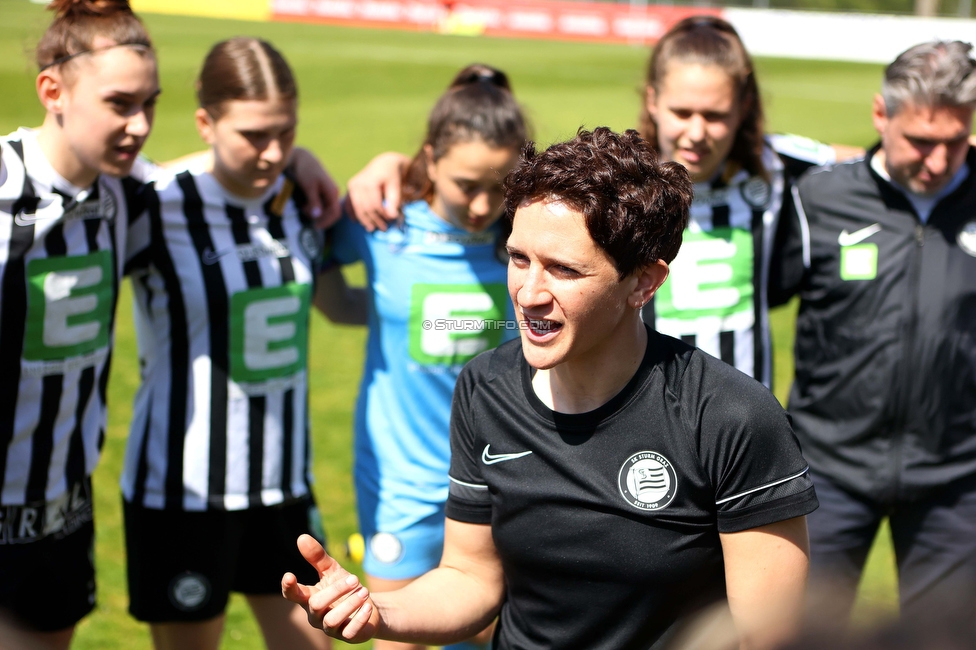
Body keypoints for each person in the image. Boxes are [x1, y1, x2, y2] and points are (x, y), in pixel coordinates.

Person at [283, 127, 819, 650]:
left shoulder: (731, 416)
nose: (529, 293)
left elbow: (765, 636)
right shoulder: (485, 388)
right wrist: (380, 612)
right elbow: (470, 577)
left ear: (644, 282)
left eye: (563, 269)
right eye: (519, 259)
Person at [344, 16, 856, 389]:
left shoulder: (780, 165)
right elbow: (515, 188)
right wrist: (393, 163)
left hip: (741, 418)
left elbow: (874, 163)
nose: (697, 132)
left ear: (744, 108)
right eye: (682, 110)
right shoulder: (620, 179)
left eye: (715, 114)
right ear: (653, 99)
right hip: (634, 404)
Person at [120, 37, 364, 650]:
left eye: (287, 133)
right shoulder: (157, 202)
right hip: (181, 491)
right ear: (205, 122)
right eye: (254, 135)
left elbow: (339, 306)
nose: (274, 152)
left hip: (284, 486)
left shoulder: (300, 201)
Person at [773, 41, 976, 623]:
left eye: (954, 141)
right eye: (920, 141)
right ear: (881, 115)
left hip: (957, 481)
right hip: (826, 472)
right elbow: (758, 296)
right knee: (794, 633)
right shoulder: (819, 199)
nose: (936, 162)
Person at [327, 63, 526, 650]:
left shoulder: (527, 237)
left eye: (501, 185)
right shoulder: (379, 224)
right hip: (401, 482)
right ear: (431, 157)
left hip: (505, 477)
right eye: (468, 184)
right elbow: (328, 289)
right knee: (397, 637)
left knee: (487, 637)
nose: (484, 203)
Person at [0, 2, 158, 648]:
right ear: (53, 91)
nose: (141, 125)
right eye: (120, 103)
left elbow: (229, 178)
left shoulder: (126, 195)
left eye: (150, 103)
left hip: (60, 507)